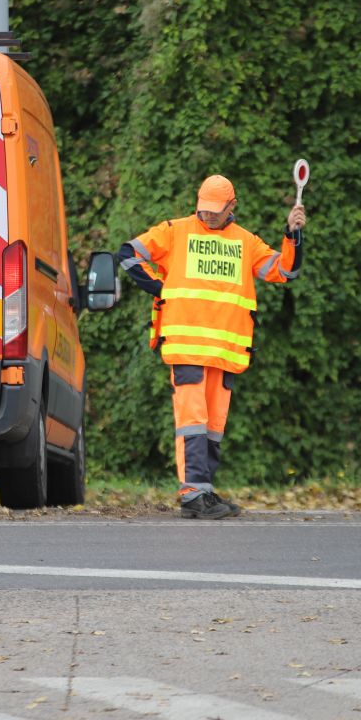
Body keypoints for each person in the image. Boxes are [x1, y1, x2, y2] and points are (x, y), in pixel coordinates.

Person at [116, 175, 305, 519]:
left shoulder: (245, 242)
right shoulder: (176, 230)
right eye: (204, 210)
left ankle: (203, 490)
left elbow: (283, 271)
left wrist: (292, 235)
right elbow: (128, 253)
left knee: (213, 426)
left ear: (232, 206)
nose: (208, 216)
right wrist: (160, 288)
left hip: (226, 351)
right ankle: (192, 493)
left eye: (216, 211)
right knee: (192, 421)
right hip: (187, 346)